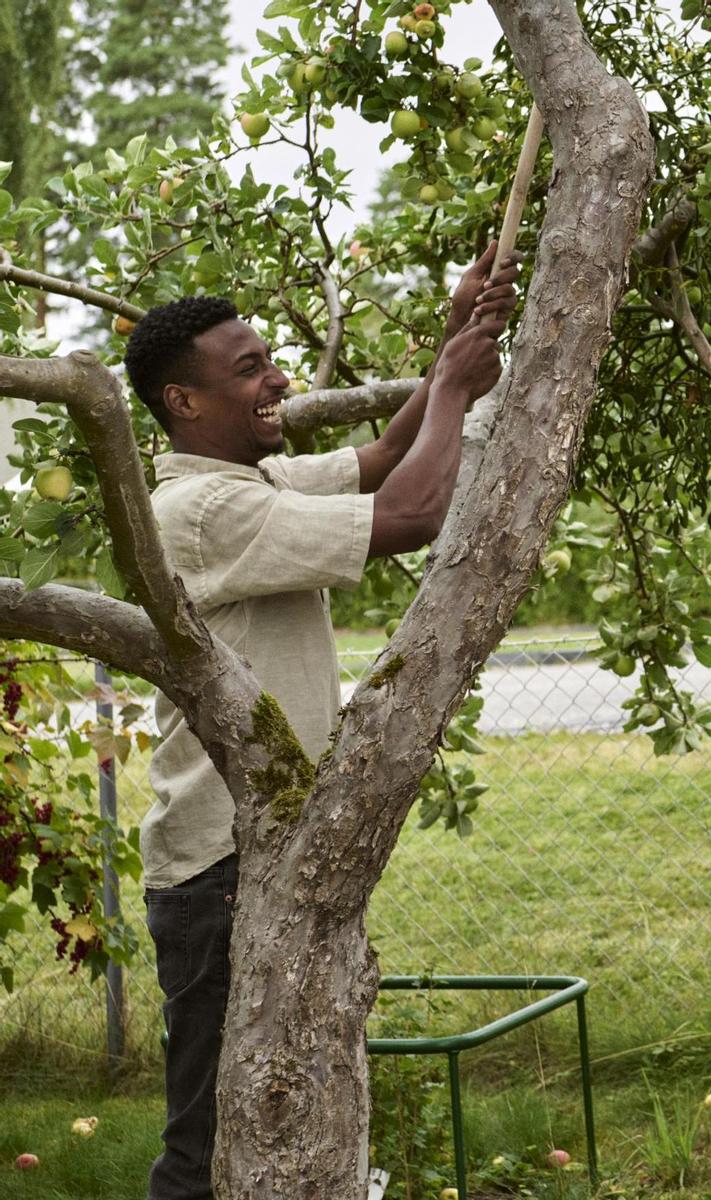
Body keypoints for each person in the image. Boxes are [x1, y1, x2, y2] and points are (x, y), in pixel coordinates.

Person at [124, 245, 519, 1200]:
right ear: (185, 402)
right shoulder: (202, 509)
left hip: (255, 848)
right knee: (209, 1137)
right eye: (251, 367)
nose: (278, 380)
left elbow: (383, 458)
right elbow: (412, 509)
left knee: (279, 1116)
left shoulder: (250, 485)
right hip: (222, 863)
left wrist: (456, 337)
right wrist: (460, 391)